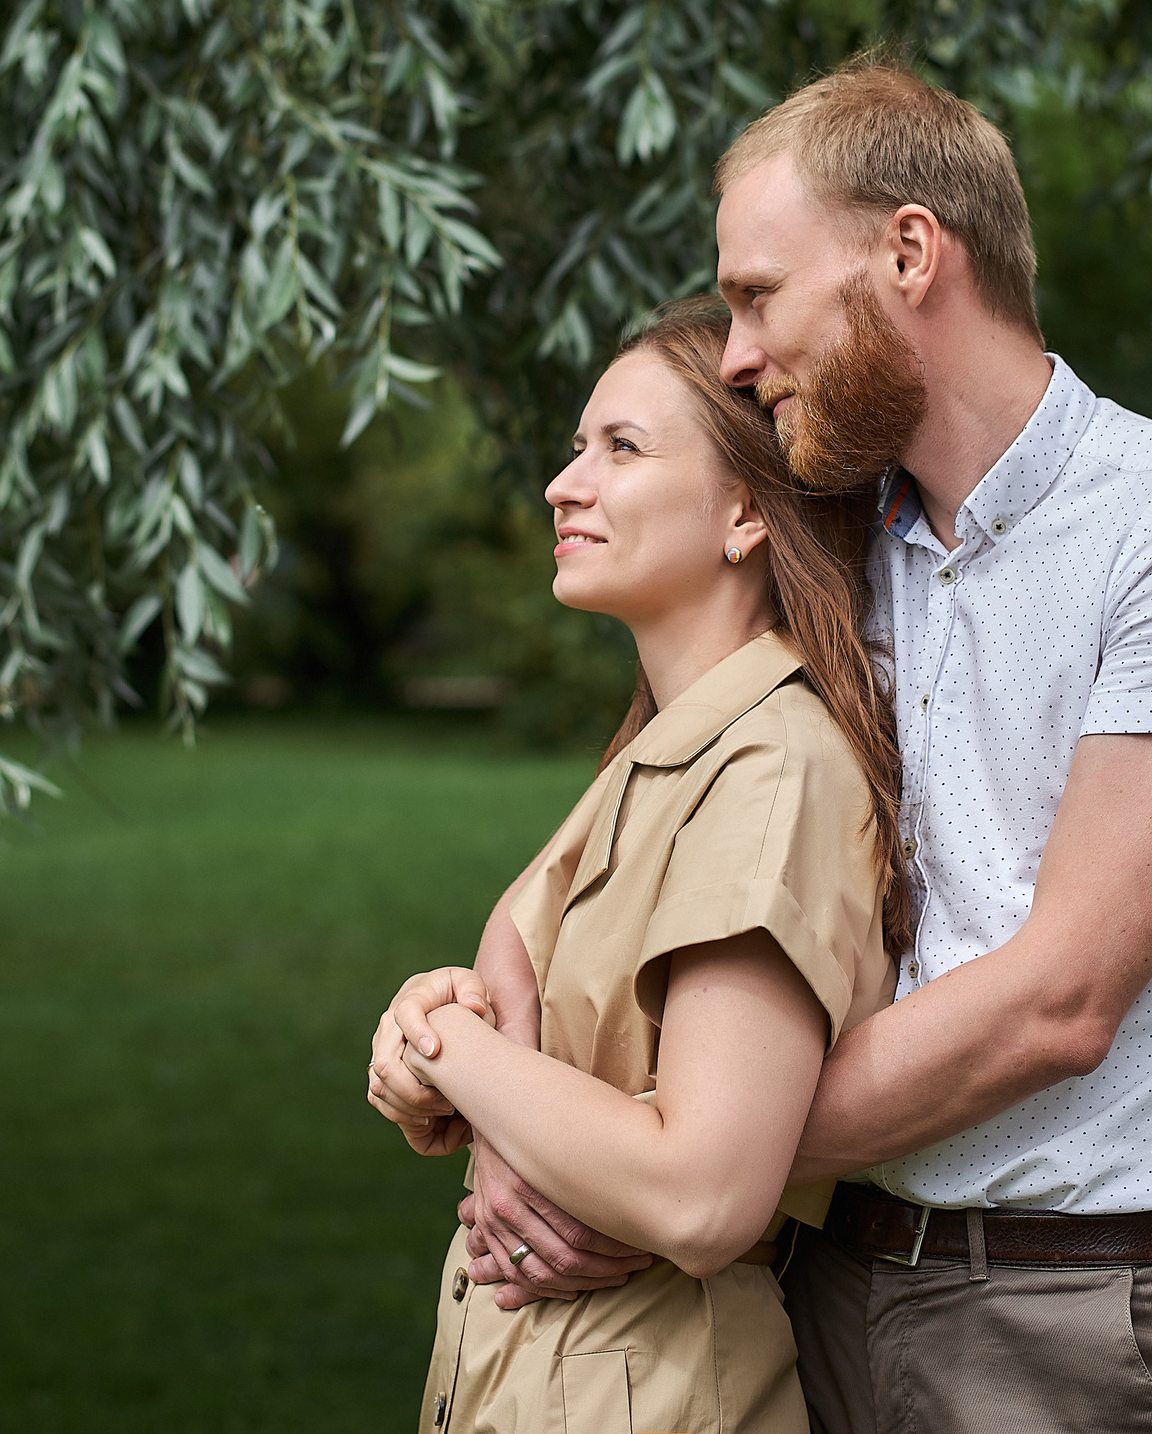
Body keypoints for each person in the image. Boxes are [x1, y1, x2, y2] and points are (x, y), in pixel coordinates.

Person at [386, 52, 1152, 1433]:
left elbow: (1059, 1000)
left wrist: (678, 1165)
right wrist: (521, 1114)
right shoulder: (835, 547)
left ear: (908, 252)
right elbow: (587, 851)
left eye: (758, 296)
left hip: (1065, 1315)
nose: (739, 353)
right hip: (807, 1296)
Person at [366, 300, 910, 1434]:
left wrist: (448, 1049)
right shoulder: (663, 751)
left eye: (621, 447)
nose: (563, 485)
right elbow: (520, 980)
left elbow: (702, 1191)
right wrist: (439, 1036)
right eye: (578, 447)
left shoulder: (770, 768)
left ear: (745, 513)